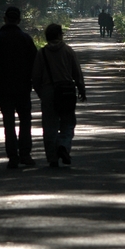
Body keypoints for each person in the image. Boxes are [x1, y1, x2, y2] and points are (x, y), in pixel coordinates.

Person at [0, 6, 37, 169]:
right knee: (25, 120)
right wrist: (37, 83)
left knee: (9, 121)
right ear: (19, 20)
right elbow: (35, 63)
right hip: (23, 86)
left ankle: (13, 156)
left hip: (3, 87)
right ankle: (25, 154)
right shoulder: (26, 39)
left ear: (5, 19)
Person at [32, 23, 86, 167]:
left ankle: (52, 158)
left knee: (49, 125)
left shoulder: (41, 53)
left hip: (49, 91)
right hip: (67, 91)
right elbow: (77, 72)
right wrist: (81, 89)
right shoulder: (68, 51)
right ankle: (63, 145)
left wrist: (41, 93)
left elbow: (36, 77)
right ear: (60, 35)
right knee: (68, 122)